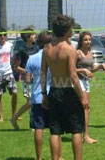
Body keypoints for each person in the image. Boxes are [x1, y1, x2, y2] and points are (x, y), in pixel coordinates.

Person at [41, 15, 88, 160]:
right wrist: (82, 96)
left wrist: (44, 94)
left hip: (53, 91)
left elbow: (43, 73)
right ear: (66, 30)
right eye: (71, 28)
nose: (73, 30)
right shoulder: (69, 50)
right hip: (68, 91)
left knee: (55, 131)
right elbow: (73, 76)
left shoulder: (47, 48)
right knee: (76, 129)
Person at [26, 31, 63, 160]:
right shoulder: (55, 57)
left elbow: (27, 79)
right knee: (56, 129)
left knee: (38, 128)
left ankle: (39, 157)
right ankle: (58, 156)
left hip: (37, 96)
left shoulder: (32, 58)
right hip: (53, 95)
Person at [76, 31, 105, 143]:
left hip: (86, 82)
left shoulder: (90, 53)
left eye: (89, 39)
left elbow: (91, 69)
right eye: (85, 39)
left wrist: (100, 65)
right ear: (81, 41)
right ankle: (84, 136)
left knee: (86, 109)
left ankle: (84, 135)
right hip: (78, 81)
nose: (88, 42)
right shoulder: (77, 53)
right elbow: (70, 69)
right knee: (84, 108)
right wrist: (83, 70)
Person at [11, 27, 38, 129]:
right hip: (27, 79)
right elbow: (16, 67)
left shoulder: (36, 48)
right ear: (28, 37)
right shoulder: (21, 50)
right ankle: (15, 118)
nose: (35, 36)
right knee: (30, 103)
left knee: (35, 102)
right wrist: (27, 72)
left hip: (37, 79)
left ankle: (34, 125)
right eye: (33, 34)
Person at [0, 28, 18, 122]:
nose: (2, 37)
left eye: (4, 35)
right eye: (0, 35)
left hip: (8, 72)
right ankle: (0, 117)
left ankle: (14, 114)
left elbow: (13, 56)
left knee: (15, 93)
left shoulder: (10, 45)